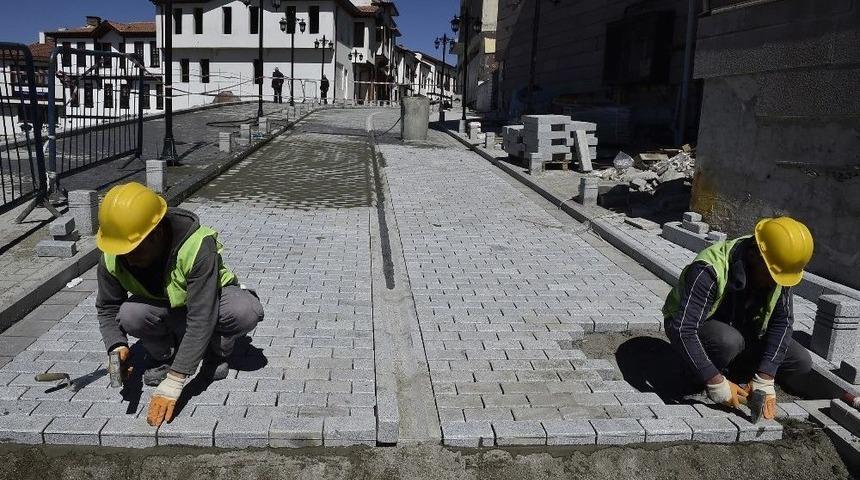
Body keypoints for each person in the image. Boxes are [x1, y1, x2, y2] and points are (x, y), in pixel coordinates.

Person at [95, 182, 264, 427]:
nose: (128, 259)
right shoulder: (115, 251)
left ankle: (214, 354)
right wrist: (117, 345)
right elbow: (108, 307)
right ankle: (164, 358)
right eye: (124, 251)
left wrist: (176, 381)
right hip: (165, 307)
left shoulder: (197, 246)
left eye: (135, 250)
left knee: (244, 311)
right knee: (130, 313)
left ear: (157, 233)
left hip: (209, 304)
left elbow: (202, 316)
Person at [663, 216, 814, 420]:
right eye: (772, 275)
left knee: (800, 361)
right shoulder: (709, 268)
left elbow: (783, 323)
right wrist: (714, 380)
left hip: (743, 329)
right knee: (728, 341)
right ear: (754, 255)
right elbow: (683, 329)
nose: (775, 282)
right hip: (694, 328)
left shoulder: (777, 268)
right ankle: (694, 374)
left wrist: (766, 377)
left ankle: (735, 372)